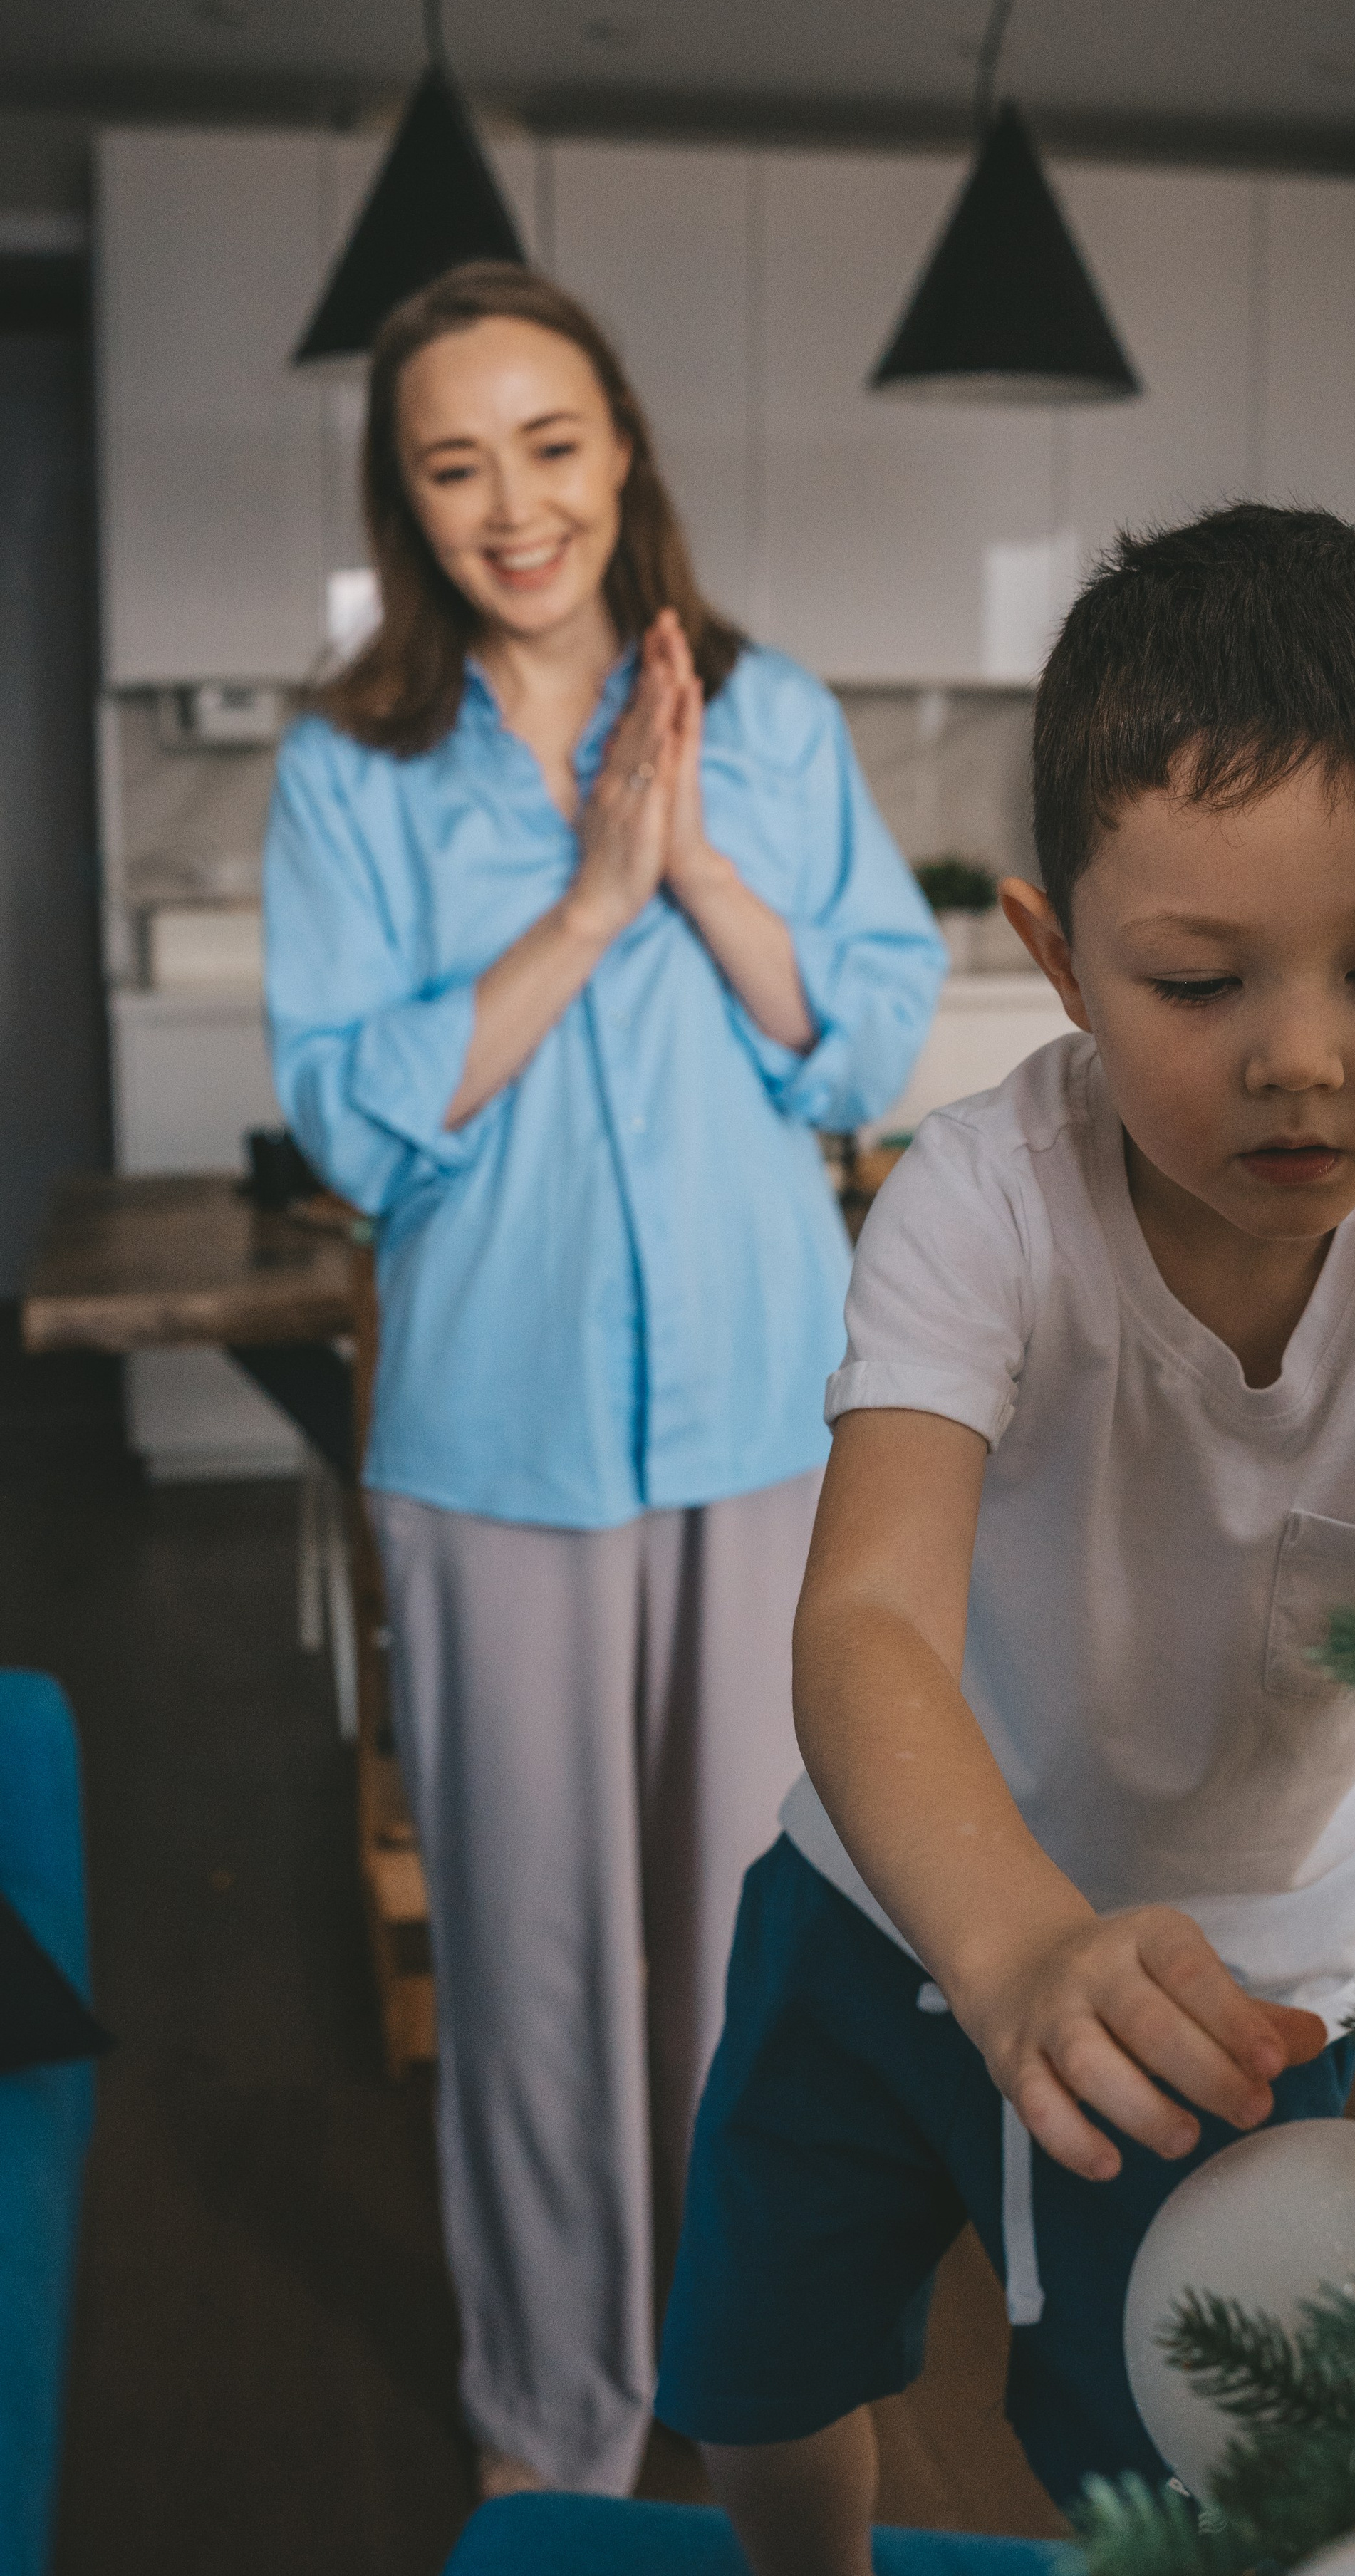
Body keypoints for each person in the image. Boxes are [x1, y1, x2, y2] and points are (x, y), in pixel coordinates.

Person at [652, 504, 1355, 2567]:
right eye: (1200, 978)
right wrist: (1005, 1942)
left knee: (1187, 2453)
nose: (1302, 1049)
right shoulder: (977, 1196)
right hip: (886, 1912)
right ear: (1058, 955)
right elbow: (869, 1631)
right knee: (765, 2355)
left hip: (1246, 1994)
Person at [262, 261, 945, 2498]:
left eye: (547, 443)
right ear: (410, 497)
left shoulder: (773, 717)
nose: (513, 502)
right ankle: (554, 2434)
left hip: (761, 1417)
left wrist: (703, 870)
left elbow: (861, 1038)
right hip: (501, 1445)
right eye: (455, 464)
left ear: (621, 445)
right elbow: (357, 1124)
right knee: (539, 1976)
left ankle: (737, 2383)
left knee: (754, 1962)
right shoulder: (348, 771)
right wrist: (582, 901)